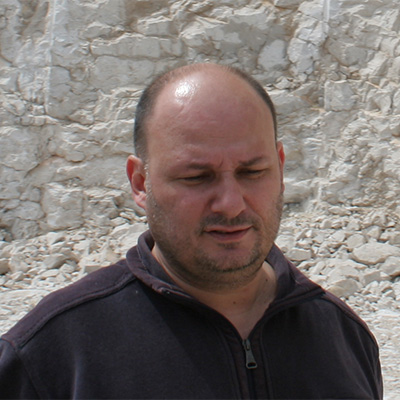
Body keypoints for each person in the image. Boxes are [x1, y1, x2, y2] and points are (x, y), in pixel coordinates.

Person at [0, 63, 382, 399]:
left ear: (280, 169)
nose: (231, 203)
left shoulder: (344, 338)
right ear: (140, 182)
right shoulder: (50, 356)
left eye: (252, 172)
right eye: (196, 177)